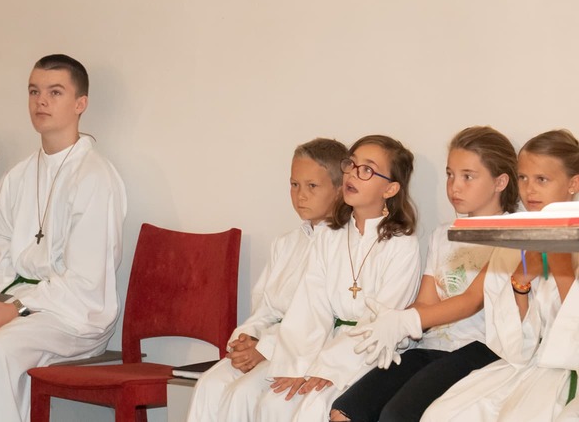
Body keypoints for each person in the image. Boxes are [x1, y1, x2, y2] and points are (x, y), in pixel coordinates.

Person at [0, 54, 127, 422]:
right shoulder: (20, 175)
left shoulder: (95, 177)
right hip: (23, 302)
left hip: (76, 315)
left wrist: (20, 306)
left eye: (55, 92)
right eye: (34, 92)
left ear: (80, 104)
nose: (41, 101)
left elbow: (85, 281)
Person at [224, 135, 421, 421]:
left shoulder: (402, 244)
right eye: (351, 165)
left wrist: (329, 368)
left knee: (313, 407)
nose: (353, 174)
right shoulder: (330, 235)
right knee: (274, 402)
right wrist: (297, 366)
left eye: (367, 170)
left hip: (371, 355)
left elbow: (382, 322)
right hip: (325, 347)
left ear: (390, 188)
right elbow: (311, 305)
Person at [330, 126, 518, 422]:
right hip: (431, 345)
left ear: (500, 182)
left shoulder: (513, 234)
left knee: (396, 414)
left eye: (468, 176)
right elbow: (426, 302)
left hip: (480, 348)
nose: (455, 186)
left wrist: (406, 320)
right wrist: (394, 321)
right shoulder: (443, 234)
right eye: (450, 175)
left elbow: (472, 300)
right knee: (345, 410)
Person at [414, 130, 579, 421]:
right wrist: (521, 282)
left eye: (542, 179)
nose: (529, 190)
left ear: (573, 183)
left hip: (567, 367)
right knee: (439, 414)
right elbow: (510, 339)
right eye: (523, 178)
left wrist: (561, 265)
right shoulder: (515, 238)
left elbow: (571, 334)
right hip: (523, 365)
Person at [187, 137, 349, 422]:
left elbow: (322, 320)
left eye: (312, 186)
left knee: (243, 394)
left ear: (339, 190)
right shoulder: (286, 243)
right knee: (209, 385)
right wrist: (247, 339)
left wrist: (264, 348)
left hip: (304, 352)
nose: (300, 195)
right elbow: (265, 308)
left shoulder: (344, 244)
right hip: (267, 344)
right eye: (294, 184)